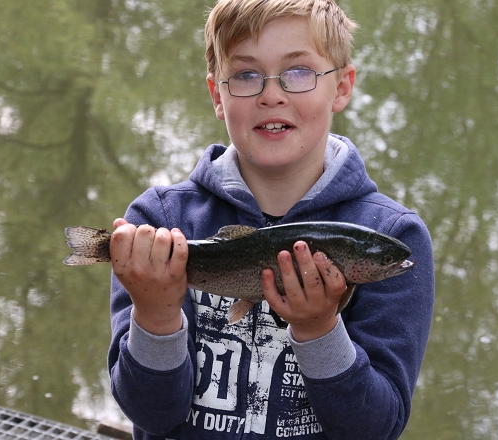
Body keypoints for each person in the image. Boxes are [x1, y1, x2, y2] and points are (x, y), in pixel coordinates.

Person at [107, 0, 435, 439]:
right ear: (217, 96)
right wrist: (155, 313)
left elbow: (375, 428)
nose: (272, 95)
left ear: (341, 87)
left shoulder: (394, 235)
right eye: (246, 75)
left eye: (298, 72)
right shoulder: (160, 221)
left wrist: (319, 329)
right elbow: (152, 416)